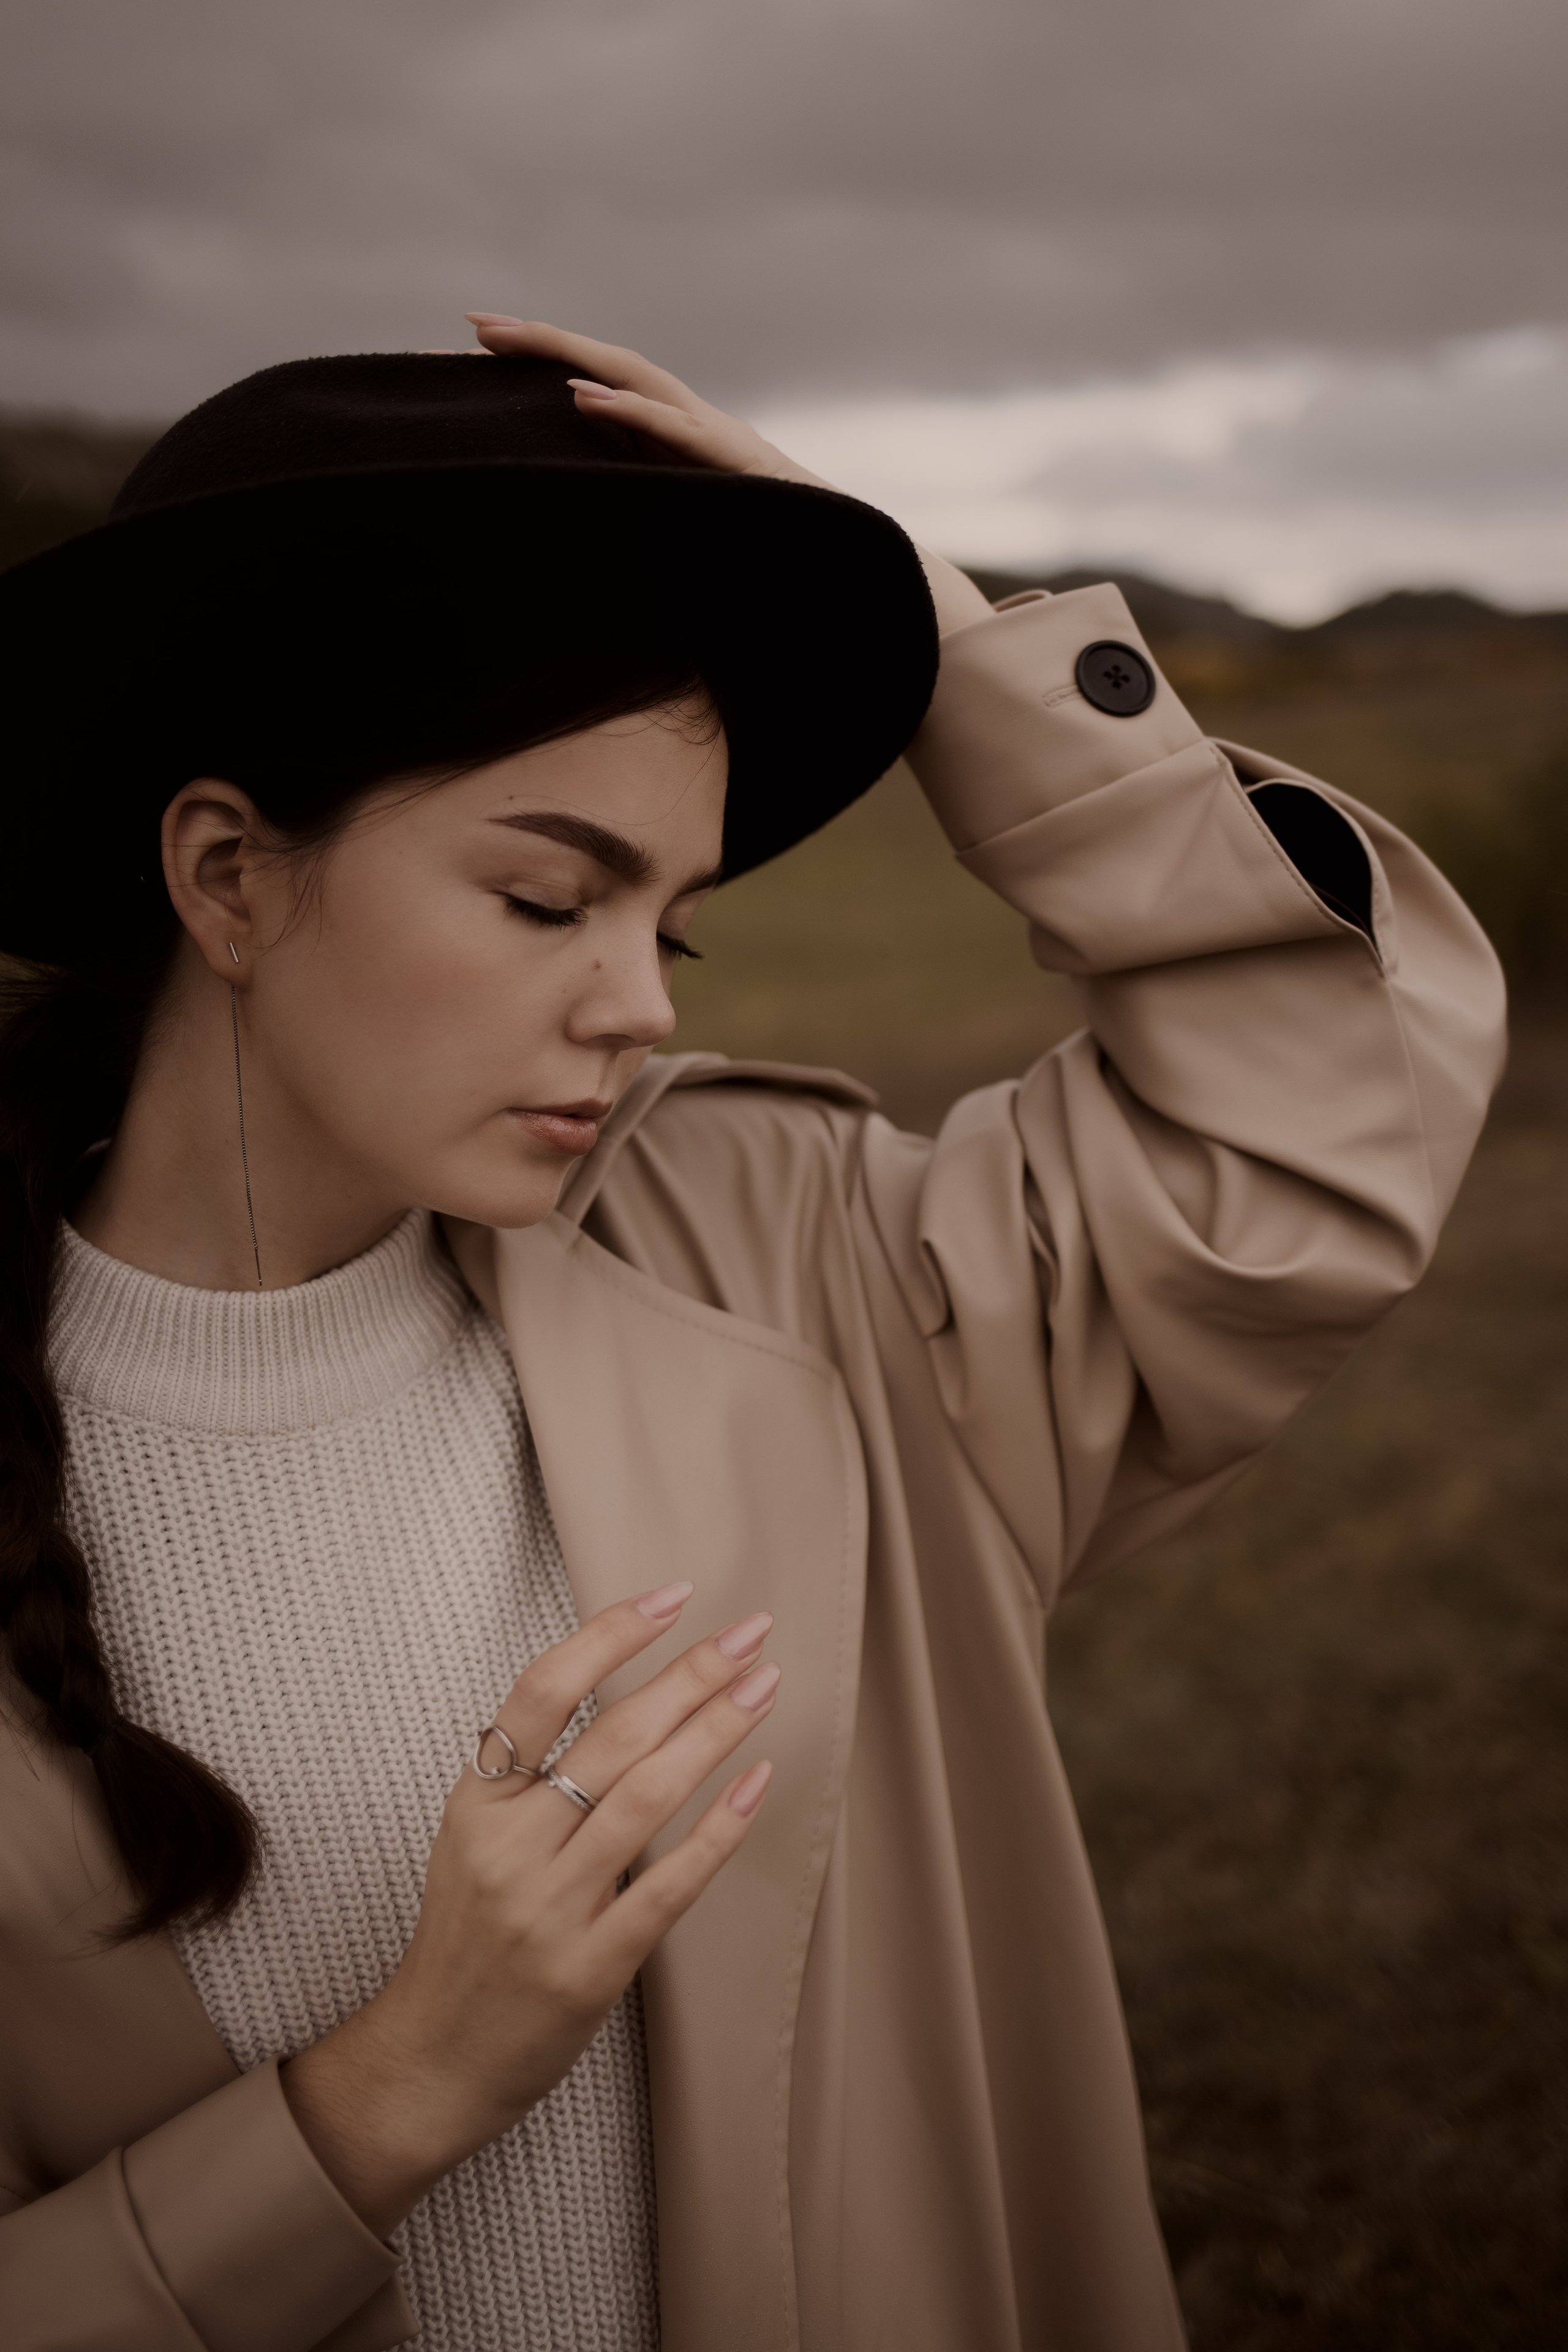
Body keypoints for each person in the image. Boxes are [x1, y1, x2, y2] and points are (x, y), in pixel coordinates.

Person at [0, 317, 1504, 2352]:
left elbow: (1319, 1120)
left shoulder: (782, 1266)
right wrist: (391, 2095)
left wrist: (953, 643)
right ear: (227, 877)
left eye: (674, 924)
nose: (643, 1003)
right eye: (551, 900)